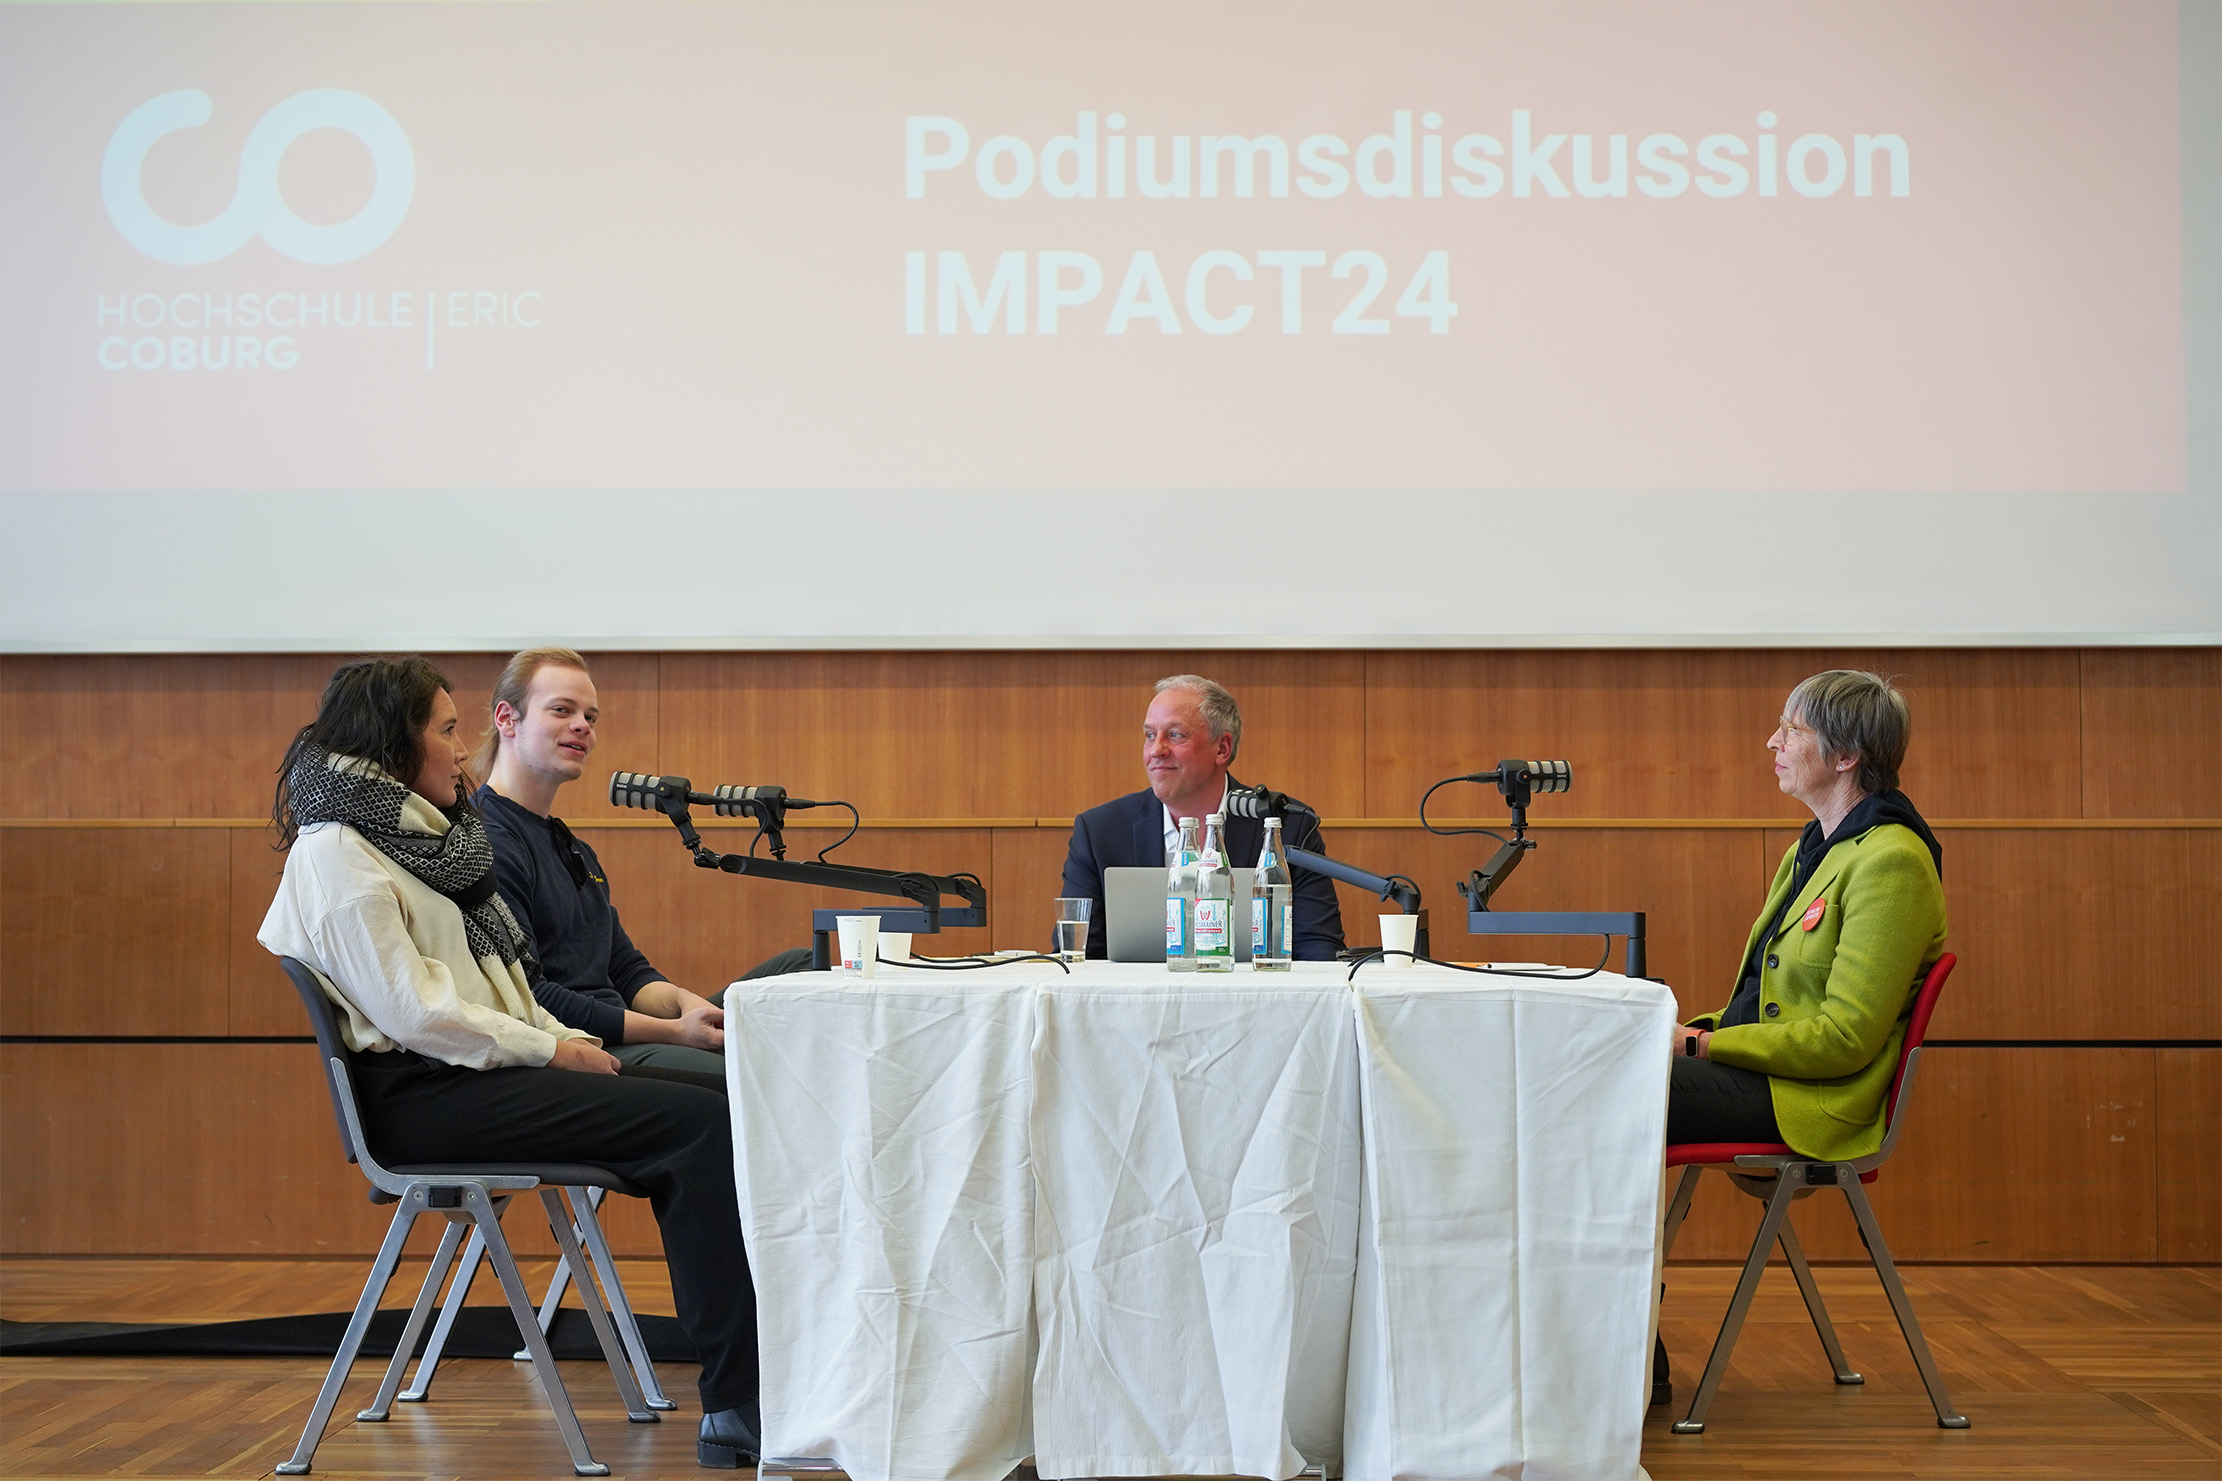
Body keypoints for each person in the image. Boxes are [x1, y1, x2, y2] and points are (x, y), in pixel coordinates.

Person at [256, 656, 764, 1468]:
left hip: (474, 1071)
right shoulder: (337, 854)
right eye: (447, 729)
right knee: (700, 1127)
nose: (461, 752)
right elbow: (419, 1012)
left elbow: (495, 986)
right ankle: (742, 1401)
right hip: (425, 1097)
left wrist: (570, 1044)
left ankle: (765, 1379)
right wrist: (554, 1047)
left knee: (720, 1105)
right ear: (394, 741)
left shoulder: (417, 837)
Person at [1655, 669, 1947, 1403]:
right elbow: (1763, 1003)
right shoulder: (1811, 849)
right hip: (1767, 1074)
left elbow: (1844, 1037)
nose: (1773, 742)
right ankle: (1616, 1333)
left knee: (1616, 1093)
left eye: (1791, 729)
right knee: (1605, 1077)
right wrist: (1691, 1030)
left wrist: (1699, 1046)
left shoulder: (1891, 860)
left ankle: (1622, 1339)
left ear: (1845, 755)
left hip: (1811, 1098)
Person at [472, 647, 807, 1084]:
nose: (582, 726)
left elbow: (627, 971)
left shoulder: (572, 847)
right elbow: (530, 997)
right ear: (506, 718)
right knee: (746, 1080)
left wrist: (687, 1004)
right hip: (584, 1049)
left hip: (631, 1030)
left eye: (590, 717)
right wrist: (673, 1033)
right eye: (562, 710)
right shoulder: (486, 838)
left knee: (800, 966)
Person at [1060, 674, 1345, 960]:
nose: (1156, 750)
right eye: (1150, 735)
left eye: (1175, 735)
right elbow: (1077, 957)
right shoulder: (1100, 831)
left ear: (1222, 748)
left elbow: (1319, 949)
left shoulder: (1287, 826)